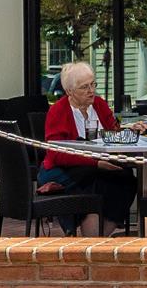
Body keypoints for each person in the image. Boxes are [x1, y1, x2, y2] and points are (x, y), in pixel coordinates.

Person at [37, 62, 138, 234]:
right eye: (84, 87)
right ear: (69, 91)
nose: (91, 90)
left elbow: (113, 133)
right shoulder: (58, 111)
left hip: (97, 166)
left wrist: (130, 130)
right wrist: (95, 163)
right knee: (94, 181)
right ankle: (88, 239)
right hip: (60, 169)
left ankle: (100, 238)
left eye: (93, 84)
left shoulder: (99, 104)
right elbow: (56, 155)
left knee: (126, 179)